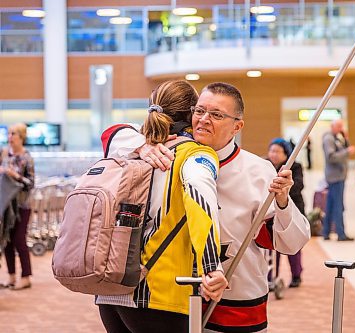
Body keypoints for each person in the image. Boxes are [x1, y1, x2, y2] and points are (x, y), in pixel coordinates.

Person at [103, 82, 311, 333]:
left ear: (237, 125)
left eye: (216, 115)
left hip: (236, 305)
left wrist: (283, 201)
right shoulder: (166, 153)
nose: (203, 120)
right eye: (199, 111)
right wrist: (142, 145)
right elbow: (113, 133)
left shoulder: (258, 170)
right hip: (174, 303)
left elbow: (290, 243)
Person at [97, 80, 226, 333]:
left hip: (110, 289)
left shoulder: (133, 148)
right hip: (158, 294)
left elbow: (111, 132)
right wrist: (212, 267)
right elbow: (201, 201)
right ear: (192, 112)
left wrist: (142, 144)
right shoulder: (194, 153)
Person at [0, 123, 35, 290]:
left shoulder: (27, 158)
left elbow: (31, 183)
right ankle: (11, 276)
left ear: (21, 137)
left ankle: (26, 276)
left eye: (13, 133)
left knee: (19, 240)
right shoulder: (6, 155)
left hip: (23, 205)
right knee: (6, 240)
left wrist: (16, 176)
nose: (10, 137)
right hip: (7, 206)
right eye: (9, 133)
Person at [267, 138, 305, 288]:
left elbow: (298, 186)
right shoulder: (265, 165)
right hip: (270, 212)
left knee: (292, 245)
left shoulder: (294, 167)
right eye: (271, 150)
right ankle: (270, 277)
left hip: (292, 209)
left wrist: (283, 192)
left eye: (277, 151)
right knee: (271, 245)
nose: (273, 154)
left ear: (286, 154)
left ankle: (296, 275)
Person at [322, 119, 355, 241]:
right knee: (338, 205)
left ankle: (326, 232)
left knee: (330, 205)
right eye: (339, 126)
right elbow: (331, 157)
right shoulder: (329, 139)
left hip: (339, 176)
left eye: (342, 126)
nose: (341, 129)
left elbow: (344, 149)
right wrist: (347, 151)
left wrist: (346, 138)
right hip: (334, 177)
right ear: (332, 126)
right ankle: (341, 233)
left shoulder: (337, 138)